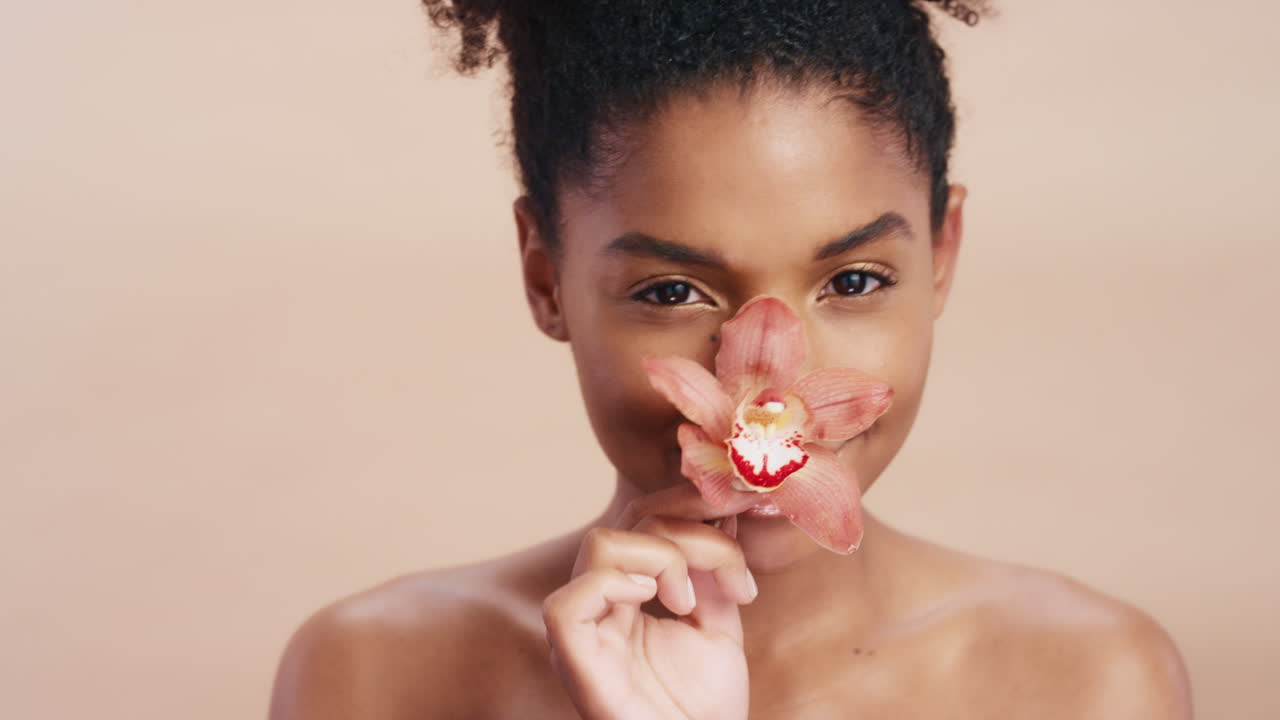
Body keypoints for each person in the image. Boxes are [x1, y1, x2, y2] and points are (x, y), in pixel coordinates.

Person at [268, 1, 1194, 717]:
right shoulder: (372, 677)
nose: (771, 383)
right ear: (546, 278)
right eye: (673, 292)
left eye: (857, 279)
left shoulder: (1090, 681)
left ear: (942, 255)